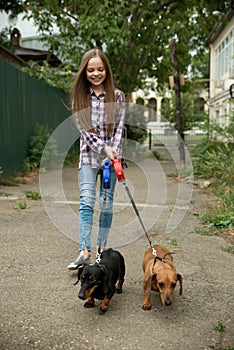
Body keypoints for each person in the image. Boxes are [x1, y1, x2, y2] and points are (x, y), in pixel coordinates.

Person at [67, 48, 125, 270]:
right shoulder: (79, 99)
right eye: (91, 70)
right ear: (84, 72)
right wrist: (105, 148)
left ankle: (101, 252)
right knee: (86, 202)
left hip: (112, 160)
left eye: (100, 69)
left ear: (106, 70)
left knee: (106, 205)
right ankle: (84, 251)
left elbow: (119, 129)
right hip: (88, 158)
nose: (96, 73)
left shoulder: (117, 96)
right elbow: (85, 132)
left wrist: (113, 154)